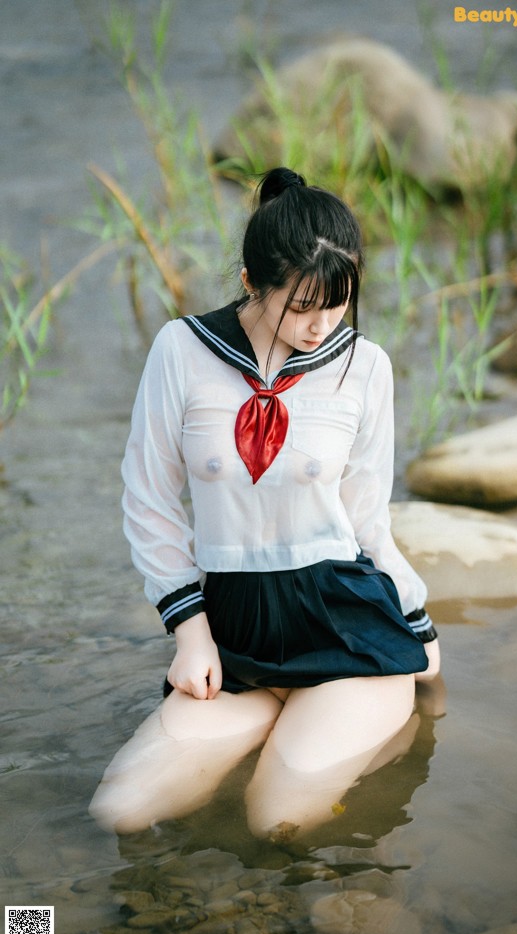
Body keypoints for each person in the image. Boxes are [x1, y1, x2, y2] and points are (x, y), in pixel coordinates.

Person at [90, 167, 441, 839]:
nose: (319, 327)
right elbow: (149, 497)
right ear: (251, 282)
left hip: (345, 633)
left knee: (275, 821)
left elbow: (368, 516)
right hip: (233, 638)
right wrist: (189, 635)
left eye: (336, 305)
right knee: (123, 813)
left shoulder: (365, 367)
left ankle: (383, 740)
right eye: (301, 307)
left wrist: (418, 623)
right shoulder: (182, 350)